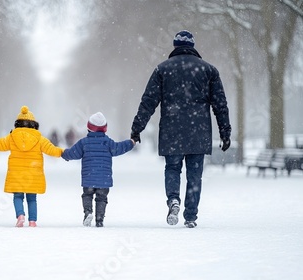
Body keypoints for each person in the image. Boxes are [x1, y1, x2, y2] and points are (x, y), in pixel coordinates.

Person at [130, 30, 231, 228]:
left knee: (173, 168)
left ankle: (173, 200)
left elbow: (149, 101)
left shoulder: (162, 69)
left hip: (171, 130)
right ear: (193, 46)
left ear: (175, 46)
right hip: (199, 131)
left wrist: (137, 128)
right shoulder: (209, 70)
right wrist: (225, 132)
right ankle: (191, 216)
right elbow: (220, 104)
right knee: (195, 175)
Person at [0, 106, 63, 227]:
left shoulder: (12, 137)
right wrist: (65, 152)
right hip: (32, 175)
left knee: (18, 196)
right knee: (32, 198)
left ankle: (20, 215)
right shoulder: (40, 139)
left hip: (17, 174)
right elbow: (52, 150)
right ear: (34, 124)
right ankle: (32, 221)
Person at [62, 112, 135, 227]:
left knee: (87, 195)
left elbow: (73, 153)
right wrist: (131, 143)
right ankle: (99, 219)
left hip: (88, 179)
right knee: (101, 198)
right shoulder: (108, 142)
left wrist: (64, 154)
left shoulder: (83, 143)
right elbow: (119, 147)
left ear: (89, 127)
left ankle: (88, 212)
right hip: (104, 180)